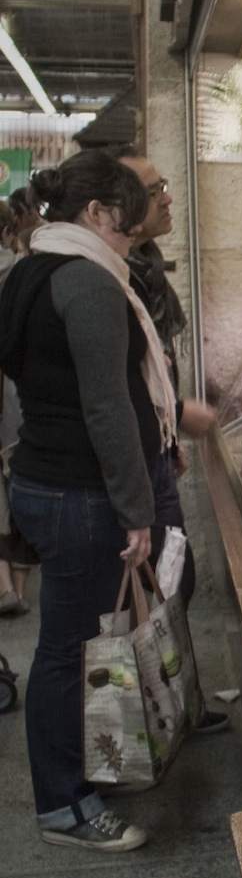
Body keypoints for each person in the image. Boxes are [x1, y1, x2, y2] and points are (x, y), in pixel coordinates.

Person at [0, 152, 200, 850]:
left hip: (43, 479)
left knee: (69, 646)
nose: (133, 231)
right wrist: (135, 510)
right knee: (66, 652)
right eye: (127, 217)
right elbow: (108, 407)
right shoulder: (87, 281)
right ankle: (64, 807)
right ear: (94, 214)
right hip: (79, 492)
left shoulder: (29, 269)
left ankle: (79, 775)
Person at [114, 147, 227, 735]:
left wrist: (171, 425)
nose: (165, 199)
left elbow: (161, 358)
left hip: (156, 445)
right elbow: (120, 380)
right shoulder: (111, 275)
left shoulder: (148, 265)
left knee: (174, 576)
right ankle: (152, 717)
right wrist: (177, 411)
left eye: (164, 186)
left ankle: (175, 705)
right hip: (133, 454)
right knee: (151, 586)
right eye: (153, 190)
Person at [0, 196, 36, 615]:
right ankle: (22, 590)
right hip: (14, 393)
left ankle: (4, 585)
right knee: (20, 480)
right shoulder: (21, 273)